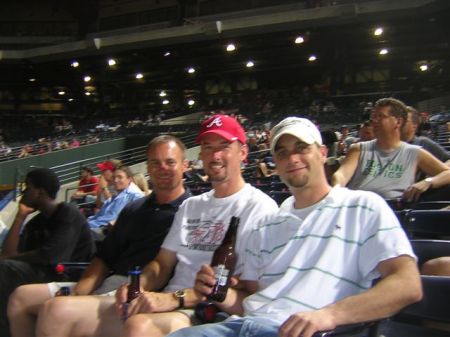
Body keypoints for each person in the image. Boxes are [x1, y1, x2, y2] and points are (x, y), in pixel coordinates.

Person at [168, 116, 422, 337]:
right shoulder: (265, 225)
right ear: (276, 164)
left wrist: (329, 316)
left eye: (302, 148)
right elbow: (254, 301)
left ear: (322, 153)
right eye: (282, 152)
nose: (292, 158)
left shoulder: (363, 206)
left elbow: (407, 285)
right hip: (242, 326)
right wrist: (219, 292)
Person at [35, 114, 279, 337]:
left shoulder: (259, 207)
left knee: (140, 326)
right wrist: (138, 284)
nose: (215, 155)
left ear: (243, 152)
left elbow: (242, 286)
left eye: (224, 146)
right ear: (200, 155)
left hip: (206, 311)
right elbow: (162, 264)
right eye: (207, 147)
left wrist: (175, 299)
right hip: (166, 300)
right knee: (56, 310)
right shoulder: (191, 206)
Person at [7, 135, 191, 337]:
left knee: (57, 309)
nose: (162, 168)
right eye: (155, 162)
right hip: (107, 282)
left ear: (184, 165)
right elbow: (104, 257)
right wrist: (81, 291)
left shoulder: (192, 211)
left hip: (139, 290)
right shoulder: (133, 208)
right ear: (147, 168)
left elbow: (163, 270)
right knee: (21, 298)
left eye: (170, 162)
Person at [0, 168, 94, 337]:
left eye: (28, 188)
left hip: (69, 275)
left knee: (6, 269)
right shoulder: (35, 223)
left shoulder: (68, 213)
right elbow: (8, 254)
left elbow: (51, 255)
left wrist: (12, 259)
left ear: (40, 192)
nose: (23, 192)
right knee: (6, 268)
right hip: (44, 272)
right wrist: (20, 217)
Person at [332, 97, 450, 201]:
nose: (374, 120)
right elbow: (342, 174)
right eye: (373, 116)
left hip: (395, 211)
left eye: (381, 116)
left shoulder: (415, 152)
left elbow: (447, 173)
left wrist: (428, 182)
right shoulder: (358, 149)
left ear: (398, 122)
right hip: (359, 207)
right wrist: (337, 186)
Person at [88, 165, 144, 239]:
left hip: (104, 233)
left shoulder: (135, 195)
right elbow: (101, 212)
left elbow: (132, 221)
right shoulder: (118, 192)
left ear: (129, 179)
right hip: (93, 226)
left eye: (120, 177)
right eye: (114, 177)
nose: (115, 180)